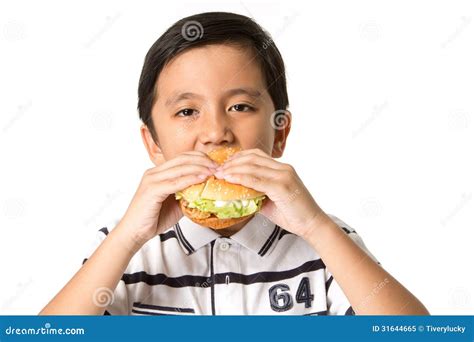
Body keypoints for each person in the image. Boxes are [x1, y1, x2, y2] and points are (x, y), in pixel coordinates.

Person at [40, 12, 429, 315]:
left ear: (279, 133)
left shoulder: (326, 243)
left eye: (240, 107)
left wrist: (316, 226)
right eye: (188, 111)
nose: (215, 132)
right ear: (153, 144)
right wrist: (126, 239)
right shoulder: (125, 248)